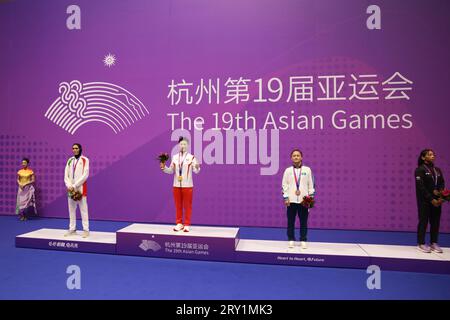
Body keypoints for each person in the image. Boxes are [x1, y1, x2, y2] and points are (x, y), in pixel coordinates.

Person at [160, 137, 200, 232]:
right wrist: (164, 167)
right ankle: (179, 223)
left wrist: (197, 167)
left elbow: (196, 171)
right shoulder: (175, 158)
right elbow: (170, 171)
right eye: (181, 144)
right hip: (176, 185)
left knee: (187, 205)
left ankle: (186, 224)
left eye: (185, 144)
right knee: (178, 205)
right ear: (178, 145)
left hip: (188, 185)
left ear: (188, 145)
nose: (183, 146)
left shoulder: (192, 157)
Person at [282, 149, 315, 249]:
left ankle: (303, 239)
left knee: (303, 221)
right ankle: (291, 239)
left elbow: (311, 184)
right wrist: (286, 197)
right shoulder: (288, 170)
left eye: (298, 155)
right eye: (294, 155)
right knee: (290, 221)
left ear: (301, 157)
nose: (296, 157)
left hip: (304, 200)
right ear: (291, 158)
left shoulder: (307, 170)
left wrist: (310, 198)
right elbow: (284, 185)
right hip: (291, 201)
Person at [415, 149, 445, 253]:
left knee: (435, 222)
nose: (432, 156)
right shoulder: (419, 170)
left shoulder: (437, 170)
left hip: (437, 201)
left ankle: (433, 243)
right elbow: (421, 187)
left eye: (433, 154)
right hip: (425, 201)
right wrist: (431, 198)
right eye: (430, 154)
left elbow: (442, 183)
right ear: (423, 157)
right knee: (424, 221)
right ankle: (421, 243)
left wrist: (441, 195)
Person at [64, 143, 90, 238]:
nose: (74, 150)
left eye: (76, 148)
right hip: (71, 188)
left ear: (80, 149)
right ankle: (72, 229)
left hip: (80, 188)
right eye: (73, 148)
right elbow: (66, 175)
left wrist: (75, 185)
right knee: (71, 209)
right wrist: (69, 185)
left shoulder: (85, 160)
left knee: (83, 209)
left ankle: (86, 230)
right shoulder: (70, 160)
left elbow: (85, 175)